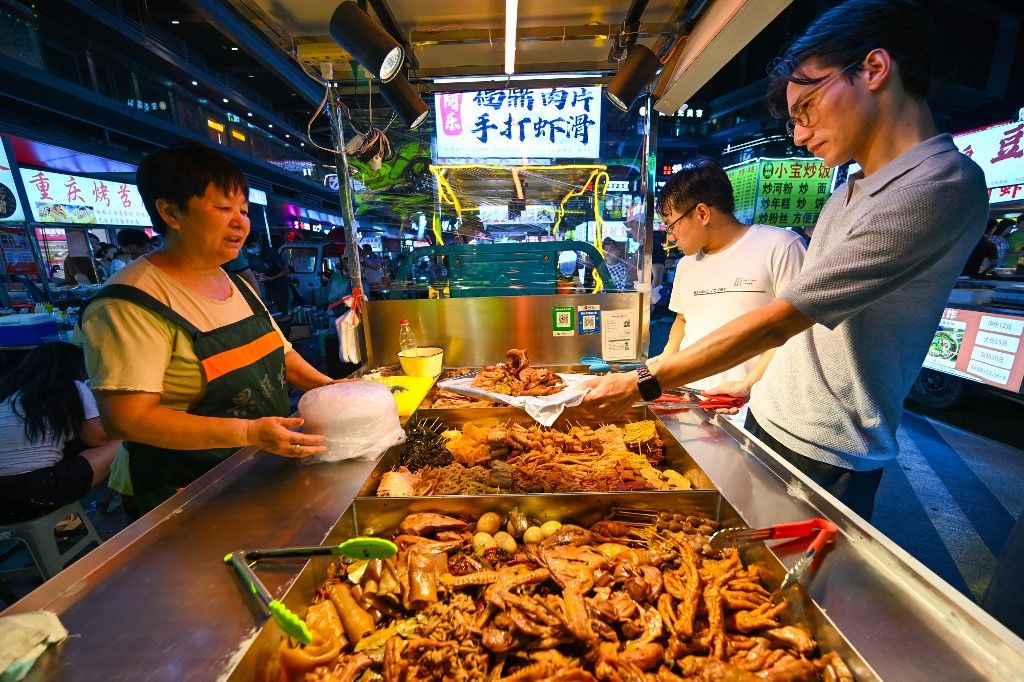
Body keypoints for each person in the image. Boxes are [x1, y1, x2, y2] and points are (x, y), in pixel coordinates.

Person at [582, 0, 988, 521]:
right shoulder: (848, 191)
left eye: (806, 108)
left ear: (874, 69)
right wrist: (745, 383)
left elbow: (785, 317)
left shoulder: (940, 186)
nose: (798, 134)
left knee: (790, 597)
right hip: (768, 419)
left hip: (829, 447)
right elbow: (804, 334)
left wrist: (646, 379)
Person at [81, 141, 332, 512]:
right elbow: (126, 419)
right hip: (181, 489)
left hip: (255, 465)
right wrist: (248, 432)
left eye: (244, 210)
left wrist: (341, 390)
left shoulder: (237, 284)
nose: (240, 222)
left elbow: (282, 354)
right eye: (222, 208)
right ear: (170, 211)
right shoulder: (128, 302)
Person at [654, 157, 805, 399]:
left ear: (702, 213)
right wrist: (666, 357)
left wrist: (748, 383)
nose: (671, 237)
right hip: (691, 396)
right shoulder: (686, 265)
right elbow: (683, 319)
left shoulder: (780, 246)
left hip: (752, 403)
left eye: (671, 226)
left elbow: (796, 326)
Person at [0, 342, 120, 523]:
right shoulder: (72, 387)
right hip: (30, 493)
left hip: (5, 498)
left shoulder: (10, 393)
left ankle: (65, 521)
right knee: (124, 439)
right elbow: (98, 438)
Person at [247, 237, 292, 314]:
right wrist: (256, 275)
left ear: (258, 243)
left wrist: (271, 278)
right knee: (269, 310)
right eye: (249, 247)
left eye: (253, 245)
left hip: (280, 286)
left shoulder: (271, 252)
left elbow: (286, 271)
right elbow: (252, 269)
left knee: (281, 311)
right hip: (267, 287)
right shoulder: (252, 256)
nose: (252, 248)